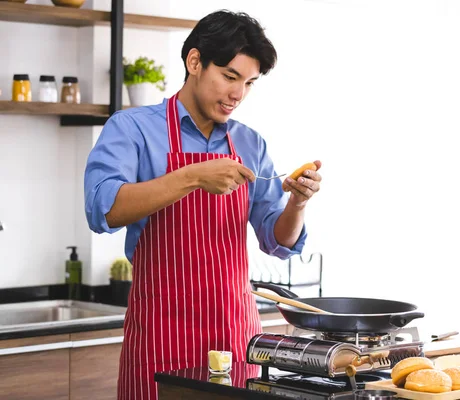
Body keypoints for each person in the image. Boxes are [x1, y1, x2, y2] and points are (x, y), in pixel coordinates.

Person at [84, 10, 322, 400]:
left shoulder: (250, 143)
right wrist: (192, 176)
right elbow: (102, 210)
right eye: (229, 77)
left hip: (235, 335)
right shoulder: (133, 129)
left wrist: (296, 203)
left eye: (248, 83)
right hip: (161, 336)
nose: (237, 94)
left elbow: (276, 242)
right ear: (194, 62)